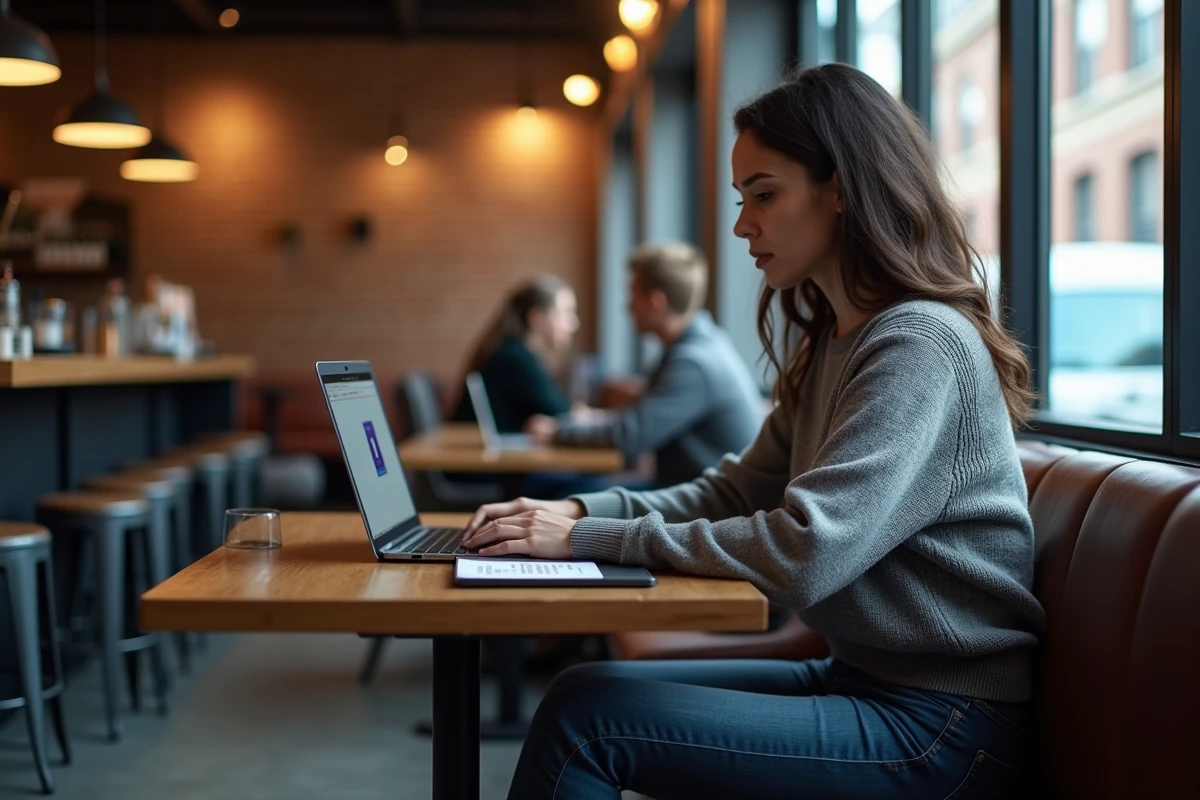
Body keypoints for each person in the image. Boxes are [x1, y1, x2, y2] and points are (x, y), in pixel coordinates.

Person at [460, 63, 1045, 799]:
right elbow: (734, 491)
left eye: (764, 196)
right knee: (581, 693)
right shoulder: (835, 341)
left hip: (944, 724)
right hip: (865, 679)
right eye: (743, 200)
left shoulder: (920, 344)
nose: (742, 225)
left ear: (843, 188)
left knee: (588, 724)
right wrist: (577, 512)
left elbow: (807, 552)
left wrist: (586, 539)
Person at [524, 242, 765, 488]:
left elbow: (630, 436)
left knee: (557, 491)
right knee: (559, 487)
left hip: (704, 504)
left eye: (633, 295)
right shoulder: (695, 347)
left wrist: (557, 432)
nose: (627, 307)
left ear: (656, 302)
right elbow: (639, 421)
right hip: (688, 491)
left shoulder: (694, 363)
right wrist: (585, 422)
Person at [451, 275, 579, 432]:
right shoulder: (515, 359)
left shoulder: (513, 351)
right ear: (537, 319)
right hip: (471, 446)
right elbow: (562, 414)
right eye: (566, 313)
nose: (574, 323)